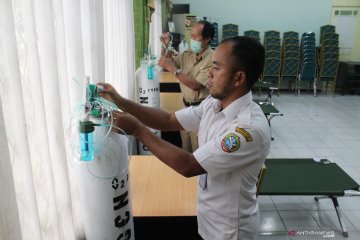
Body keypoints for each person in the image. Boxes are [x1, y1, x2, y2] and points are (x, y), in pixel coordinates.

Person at [98, 36, 271, 240]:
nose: (209, 73)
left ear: (238, 78)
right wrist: (121, 102)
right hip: (207, 218)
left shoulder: (247, 130)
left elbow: (189, 165)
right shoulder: (214, 104)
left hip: (230, 231)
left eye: (216, 67)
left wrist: (137, 130)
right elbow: (169, 119)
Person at [158, 20, 215, 152]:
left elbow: (195, 85)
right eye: (191, 36)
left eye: (195, 37)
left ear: (207, 39)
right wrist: (164, 46)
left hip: (200, 110)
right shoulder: (188, 54)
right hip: (185, 107)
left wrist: (173, 69)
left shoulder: (211, 60)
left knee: (198, 149)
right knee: (185, 146)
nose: (192, 40)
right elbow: (165, 62)